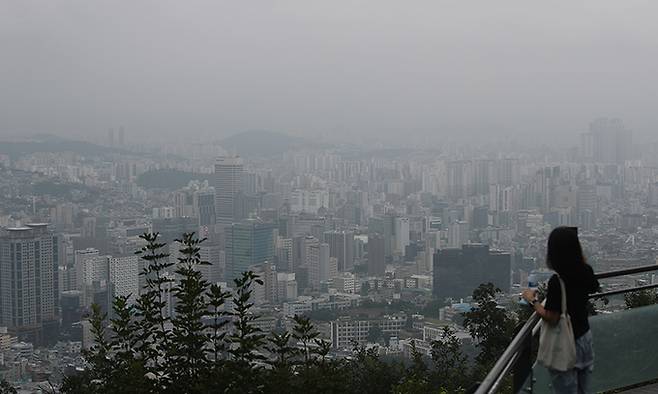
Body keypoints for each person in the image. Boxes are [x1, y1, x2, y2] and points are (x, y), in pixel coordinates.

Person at [522, 227, 600, 394]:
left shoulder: (557, 281)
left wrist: (533, 300)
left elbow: (552, 317)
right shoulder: (586, 270)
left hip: (566, 343)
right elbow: (594, 287)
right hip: (585, 338)